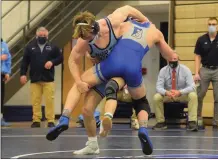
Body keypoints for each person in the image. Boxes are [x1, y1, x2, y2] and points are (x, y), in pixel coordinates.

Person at [47, 8, 175, 155]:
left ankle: (101, 116)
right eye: (84, 38)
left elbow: (128, 9)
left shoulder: (114, 23)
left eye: (89, 37)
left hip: (111, 68)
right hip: (112, 69)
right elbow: (72, 59)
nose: (87, 40)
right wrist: (78, 80)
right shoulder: (85, 39)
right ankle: (91, 141)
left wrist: (144, 18)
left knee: (109, 86)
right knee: (87, 109)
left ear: (95, 28)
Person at [20, 27, 63, 128]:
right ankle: (36, 120)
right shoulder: (30, 47)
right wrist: (22, 74)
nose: (42, 37)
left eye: (44, 36)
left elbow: (60, 58)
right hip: (35, 79)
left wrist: (52, 62)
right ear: (36, 36)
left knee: (49, 101)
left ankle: (51, 120)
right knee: (35, 101)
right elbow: (25, 62)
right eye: (40, 36)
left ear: (47, 36)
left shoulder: (53, 47)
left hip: (48, 79)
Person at [152, 53, 198, 131]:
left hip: (182, 95)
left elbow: (192, 87)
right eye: (170, 59)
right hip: (168, 95)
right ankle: (160, 122)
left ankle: (192, 122)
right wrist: (166, 92)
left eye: (174, 59)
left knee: (193, 95)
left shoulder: (186, 70)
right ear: (167, 60)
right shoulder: (163, 71)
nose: (172, 61)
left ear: (178, 60)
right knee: (156, 97)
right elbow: (158, 87)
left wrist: (180, 92)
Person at [194, 17, 218, 129]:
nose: (212, 26)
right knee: (199, 95)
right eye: (210, 24)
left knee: (217, 97)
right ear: (207, 25)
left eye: (214, 24)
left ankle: (216, 122)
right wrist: (196, 72)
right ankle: (198, 119)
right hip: (205, 69)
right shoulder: (201, 39)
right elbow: (197, 56)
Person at [1, 38, 11, 127]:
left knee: (1, 97)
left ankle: (0, 118)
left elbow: (8, 59)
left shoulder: (4, 44)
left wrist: (7, 72)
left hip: (1, 74)